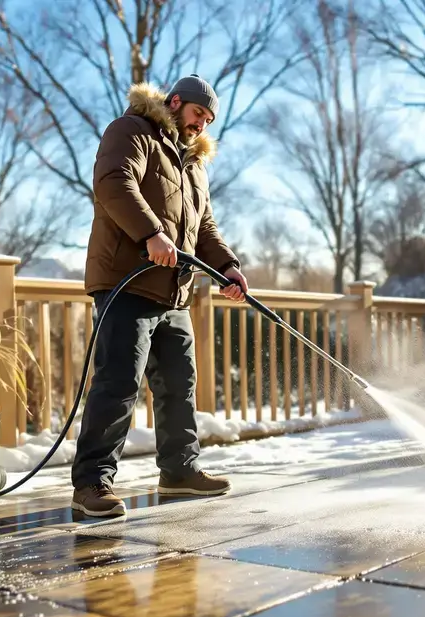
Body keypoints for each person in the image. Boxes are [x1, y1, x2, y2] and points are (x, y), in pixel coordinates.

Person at [72, 75, 248, 517]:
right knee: (118, 383)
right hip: (127, 282)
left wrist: (228, 266)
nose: (200, 126)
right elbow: (113, 182)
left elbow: (203, 227)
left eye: (208, 121)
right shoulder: (131, 132)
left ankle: (180, 472)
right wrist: (151, 232)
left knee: (178, 385)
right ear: (174, 102)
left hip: (174, 292)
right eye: (197, 114)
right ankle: (92, 482)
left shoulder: (194, 166)